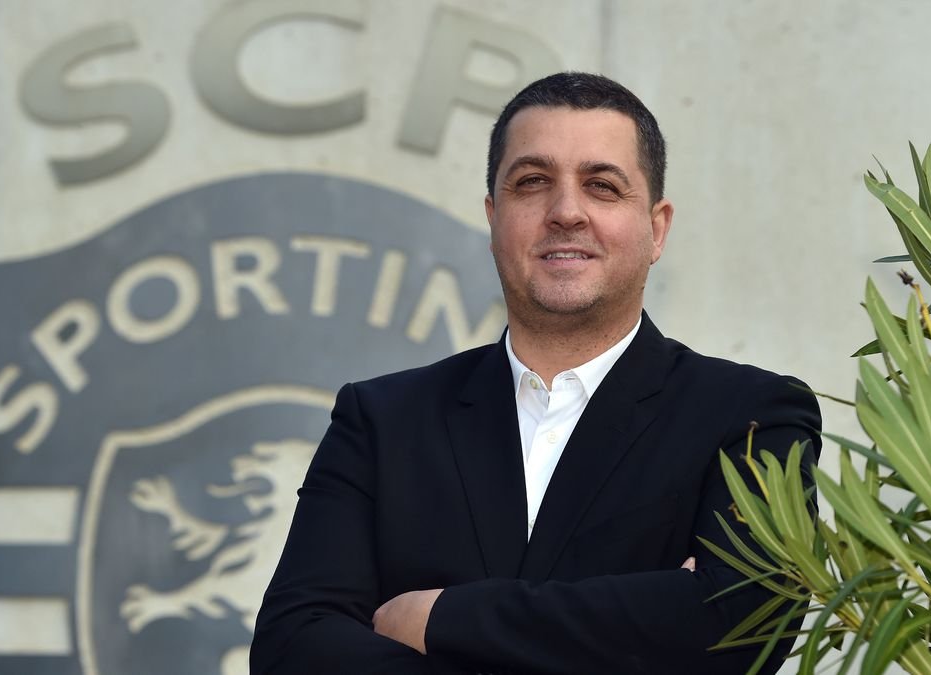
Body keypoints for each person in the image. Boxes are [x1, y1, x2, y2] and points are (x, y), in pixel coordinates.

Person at [250, 72, 821, 674]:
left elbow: (741, 622)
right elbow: (292, 646)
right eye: (532, 182)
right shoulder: (383, 420)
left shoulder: (751, 414)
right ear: (493, 217)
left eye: (602, 186)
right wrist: (647, 617)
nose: (566, 212)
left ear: (656, 229)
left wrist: (442, 619)